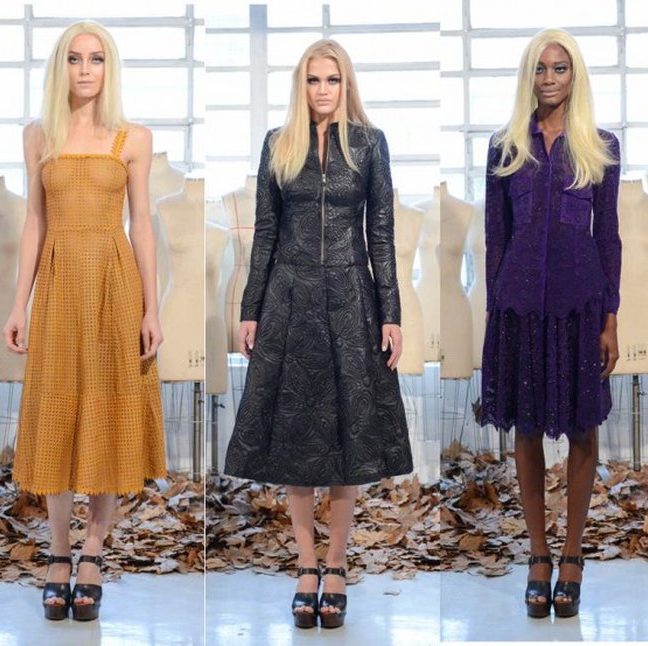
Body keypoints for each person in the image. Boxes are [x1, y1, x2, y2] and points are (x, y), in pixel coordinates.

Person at [223, 39, 414, 629]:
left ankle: (336, 563)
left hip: (353, 300)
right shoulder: (278, 144)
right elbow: (265, 231)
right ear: (300, 86)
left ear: (346, 84)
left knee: (347, 440)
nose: (323, 89)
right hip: (290, 299)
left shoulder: (370, 144)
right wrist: (251, 307)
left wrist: (391, 312)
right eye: (313, 79)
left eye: (332, 79)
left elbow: (381, 232)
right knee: (297, 438)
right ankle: (306, 564)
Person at [3, 21, 166, 622]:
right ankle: (59, 551)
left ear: (108, 68)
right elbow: (34, 223)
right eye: (74, 59)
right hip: (58, 284)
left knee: (106, 411)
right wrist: (18, 303)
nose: (85, 69)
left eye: (96, 59)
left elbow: (141, 223)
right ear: (61, 67)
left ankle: (93, 551)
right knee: (57, 414)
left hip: (114, 283)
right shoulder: (38, 135)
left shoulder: (132, 137)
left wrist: (152, 307)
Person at [481, 28, 621, 619]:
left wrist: (611, 318)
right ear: (528, 77)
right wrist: (494, 315)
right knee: (528, 429)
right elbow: (495, 238)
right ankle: (538, 554)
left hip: (580, 306)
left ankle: (572, 555)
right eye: (539, 68)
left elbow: (608, 237)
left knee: (583, 429)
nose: (549, 78)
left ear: (574, 75)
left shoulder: (601, 146)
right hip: (518, 308)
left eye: (559, 68)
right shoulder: (505, 147)